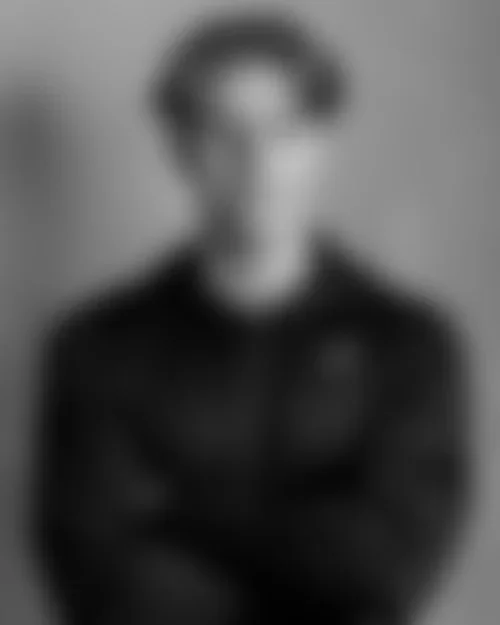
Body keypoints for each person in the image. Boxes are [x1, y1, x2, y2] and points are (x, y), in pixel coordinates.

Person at [33, 11, 469, 625]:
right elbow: (106, 581)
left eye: (284, 129)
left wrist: (180, 519)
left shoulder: (410, 346)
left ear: (323, 143)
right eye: (223, 131)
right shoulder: (98, 348)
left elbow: (381, 569)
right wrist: (311, 532)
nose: (257, 161)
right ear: (181, 147)